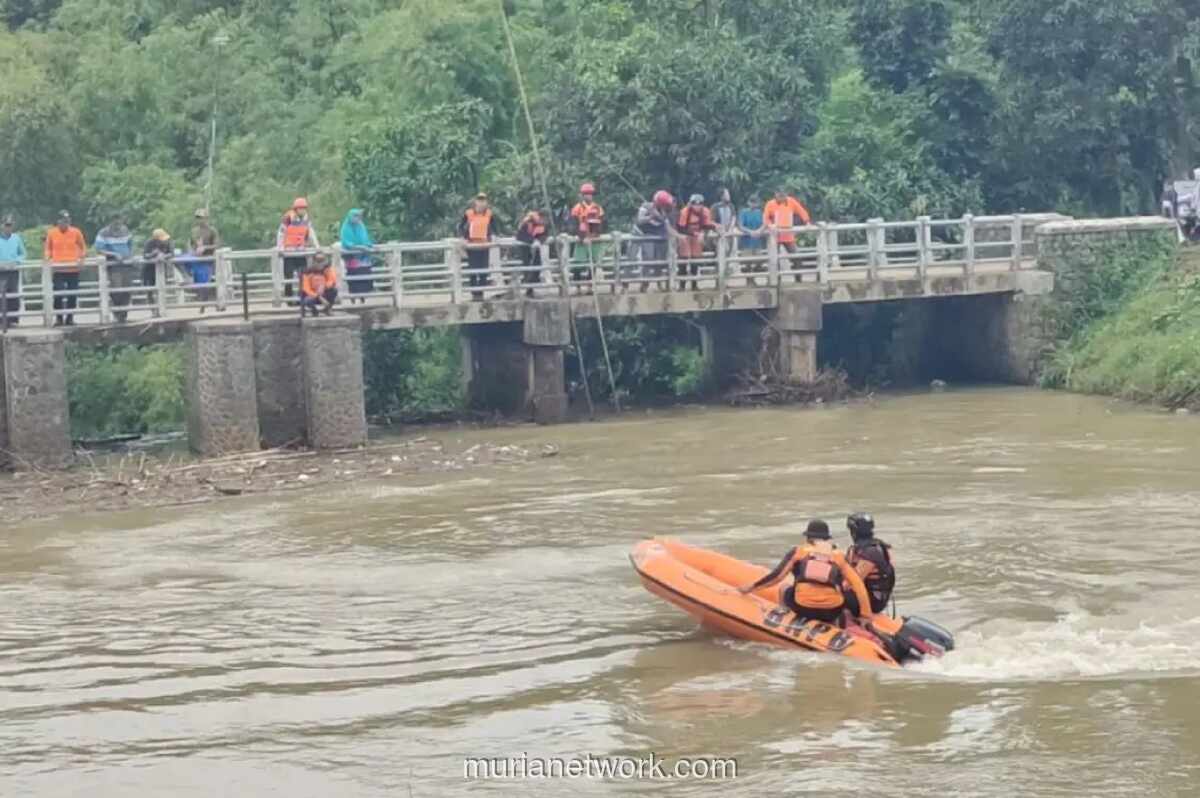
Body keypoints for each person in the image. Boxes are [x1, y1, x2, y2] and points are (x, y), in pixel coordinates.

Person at [738, 519, 873, 626]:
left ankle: (785, 621)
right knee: (838, 596)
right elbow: (858, 585)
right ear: (827, 539)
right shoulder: (838, 556)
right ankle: (835, 624)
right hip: (831, 611)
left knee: (784, 588)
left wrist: (751, 587)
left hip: (803, 607)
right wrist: (866, 615)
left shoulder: (799, 551)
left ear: (809, 537)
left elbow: (777, 576)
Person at [844, 512, 896, 615]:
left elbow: (852, 582)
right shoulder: (878, 546)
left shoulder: (870, 552)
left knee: (829, 594)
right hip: (876, 596)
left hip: (872, 601)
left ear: (853, 531)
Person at [43, 210, 87, 326]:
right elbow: (48, 248)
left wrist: (81, 258)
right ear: (58, 221)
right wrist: (48, 258)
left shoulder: (76, 232)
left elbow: (82, 247)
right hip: (58, 269)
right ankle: (59, 318)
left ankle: (70, 317)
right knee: (58, 293)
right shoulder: (51, 233)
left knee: (73, 294)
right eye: (63, 220)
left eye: (67, 221)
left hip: (73, 268)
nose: (65, 223)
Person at [759, 188, 812, 279]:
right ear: (775, 194)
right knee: (775, 259)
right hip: (775, 235)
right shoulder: (770, 204)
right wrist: (770, 225)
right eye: (780, 196)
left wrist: (807, 222)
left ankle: (798, 279)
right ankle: (776, 280)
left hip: (788, 235)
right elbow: (765, 217)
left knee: (796, 257)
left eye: (783, 196)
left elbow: (801, 211)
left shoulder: (791, 201)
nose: (782, 198)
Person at [95, 213, 135, 323]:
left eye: (119, 221)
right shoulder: (103, 233)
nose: (118, 224)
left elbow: (130, 244)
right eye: (115, 222)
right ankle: (117, 312)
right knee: (116, 289)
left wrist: (131, 255)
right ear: (111, 221)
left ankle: (123, 314)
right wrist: (113, 254)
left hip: (127, 265)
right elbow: (99, 249)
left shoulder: (125, 230)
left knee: (127, 289)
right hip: (114, 265)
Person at [457, 193, 498, 301]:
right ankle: (474, 294)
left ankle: (480, 293)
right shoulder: (469, 213)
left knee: (484, 271)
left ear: (486, 202)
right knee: (473, 271)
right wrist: (462, 238)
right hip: (472, 245)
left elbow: (495, 227)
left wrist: (494, 236)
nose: (481, 202)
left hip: (485, 245)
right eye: (479, 200)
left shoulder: (489, 214)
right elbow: (460, 226)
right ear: (475, 202)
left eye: (483, 200)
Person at [278, 197, 318, 301]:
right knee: (289, 275)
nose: (302, 210)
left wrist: (317, 246)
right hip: (289, 251)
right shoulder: (288, 217)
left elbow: (311, 233)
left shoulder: (306, 219)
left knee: (303, 275)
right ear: (295, 209)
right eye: (300, 208)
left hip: (301, 251)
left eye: (304, 208)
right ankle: (289, 299)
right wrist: (280, 248)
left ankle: (303, 297)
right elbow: (281, 233)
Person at [634, 191, 675, 292]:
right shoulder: (645, 207)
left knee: (660, 261)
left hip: (660, 236)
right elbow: (639, 220)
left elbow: (666, 222)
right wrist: (650, 217)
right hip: (647, 235)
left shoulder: (667, 210)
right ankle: (645, 284)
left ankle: (659, 282)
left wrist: (659, 216)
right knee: (648, 259)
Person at [570, 182, 605, 290]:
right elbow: (573, 225)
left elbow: (602, 223)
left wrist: (594, 235)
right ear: (582, 195)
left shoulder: (598, 208)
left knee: (593, 262)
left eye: (590, 194)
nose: (589, 196)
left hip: (594, 238)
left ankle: (590, 286)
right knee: (578, 263)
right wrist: (582, 237)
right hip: (581, 239)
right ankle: (577, 286)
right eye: (586, 194)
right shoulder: (577, 208)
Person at [677, 194, 715, 291]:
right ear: (690, 204)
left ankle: (694, 285)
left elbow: (707, 225)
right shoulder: (685, 211)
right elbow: (681, 228)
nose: (697, 206)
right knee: (683, 262)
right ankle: (682, 286)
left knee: (695, 261)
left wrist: (703, 233)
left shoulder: (706, 211)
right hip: (686, 237)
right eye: (694, 204)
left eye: (699, 204)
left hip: (697, 237)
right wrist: (695, 233)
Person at [340, 208, 374, 302]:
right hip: (351, 257)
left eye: (358, 216)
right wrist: (358, 247)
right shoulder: (346, 227)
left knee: (365, 274)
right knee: (353, 276)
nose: (357, 218)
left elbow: (365, 238)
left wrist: (370, 246)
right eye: (355, 216)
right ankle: (353, 297)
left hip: (363, 258)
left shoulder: (361, 226)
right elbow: (346, 242)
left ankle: (363, 296)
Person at [190, 208, 220, 311]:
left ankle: (205, 305)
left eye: (201, 218)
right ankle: (203, 303)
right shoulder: (194, 231)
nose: (200, 220)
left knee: (207, 282)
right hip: (197, 259)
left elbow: (217, 244)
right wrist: (194, 251)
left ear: (206, 218)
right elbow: (191, 244)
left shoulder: (212, 230)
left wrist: (205, 248)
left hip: (208, 259)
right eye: (198, 218)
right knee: (199, 283)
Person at [515, 209, 548, 298]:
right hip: (525, 247)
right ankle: (528, 290)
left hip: (536, 248)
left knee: (537, 267)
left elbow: (545, 234)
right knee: (527, 267)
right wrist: (532, 241)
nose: (545, 221)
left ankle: (532, 288)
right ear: (540, 217)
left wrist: (539, 241)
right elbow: (520, 236)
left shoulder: (543, 224)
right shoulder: (527, 222)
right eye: (544, 219)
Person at [0, 215, 27, 325]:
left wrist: (17, 261)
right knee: (1, 294)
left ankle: (13, 319)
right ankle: (2, 319)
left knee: (14, 294)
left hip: (13, 270)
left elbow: (23, 253)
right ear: (2, 225)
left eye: (10, 225)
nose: (8, 227)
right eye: (6, 225)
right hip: (1, 270)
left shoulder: (16, 238)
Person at [141, 228, 172, 307]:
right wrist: (153, 254)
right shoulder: (149, 243)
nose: (163, 240)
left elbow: (171, 253)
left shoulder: (166, 243)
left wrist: (164, 256)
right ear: (156, 238)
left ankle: (161, 307)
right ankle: (153, 308)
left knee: (161, 288)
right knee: (150, 290)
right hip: (149, 270)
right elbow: (145, 255)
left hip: (161, 269)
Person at [737, 196, 765, 286]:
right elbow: (740, 226)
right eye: (751, 202)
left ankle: (753, 277)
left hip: (757, 240)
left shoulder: (759, 212)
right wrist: (750, 232)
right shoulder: (744, 212)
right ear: (748, 203)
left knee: (759, 261)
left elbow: (764, 223)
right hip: (746, 241)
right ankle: (749, 280)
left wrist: (759, 230)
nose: (753, 204)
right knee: (747, 262)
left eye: (755, 202)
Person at [711, 188, 737, 258]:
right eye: (727, 194)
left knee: (729, 253)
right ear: (722, 196)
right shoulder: (715, 207)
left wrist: (730, 229)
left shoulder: (731, 206)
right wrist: (719, 227)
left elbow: (733, 218)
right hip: (719, 233)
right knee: (719, 254)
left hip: (729, 232)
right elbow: (712, 221)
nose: (729, 196)